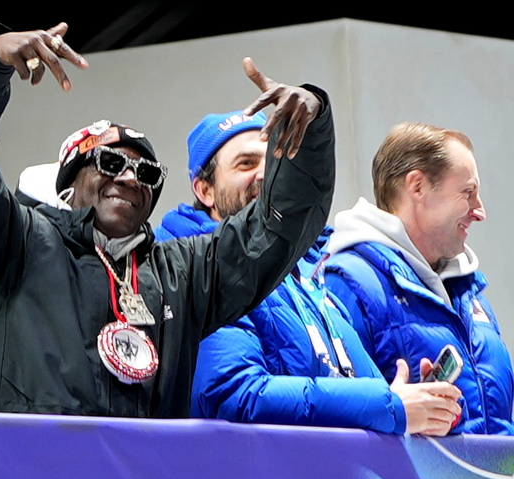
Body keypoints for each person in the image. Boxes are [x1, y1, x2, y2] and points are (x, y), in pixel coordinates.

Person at [0, 22, 334, 417]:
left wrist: (310, 128)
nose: (131, 177)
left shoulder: (183, 274)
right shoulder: (16, 243)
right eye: (111, 162)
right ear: (70, 183)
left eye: (147, 172)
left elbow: (277, 230)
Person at [161, 112, 462, 435]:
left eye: (274, 161)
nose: (265, 174)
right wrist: (388, 405)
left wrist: (419, 401)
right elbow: (234, 394)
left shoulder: (309, 266)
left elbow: (350, 382)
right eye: (246, 164)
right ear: (204, 190)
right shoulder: (200, 270)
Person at [325, 123, 513, 434]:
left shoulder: (470, 292)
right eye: (468, 193)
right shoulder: (348, 283)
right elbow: (344, 421)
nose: (479, 211)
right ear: (418, 187)